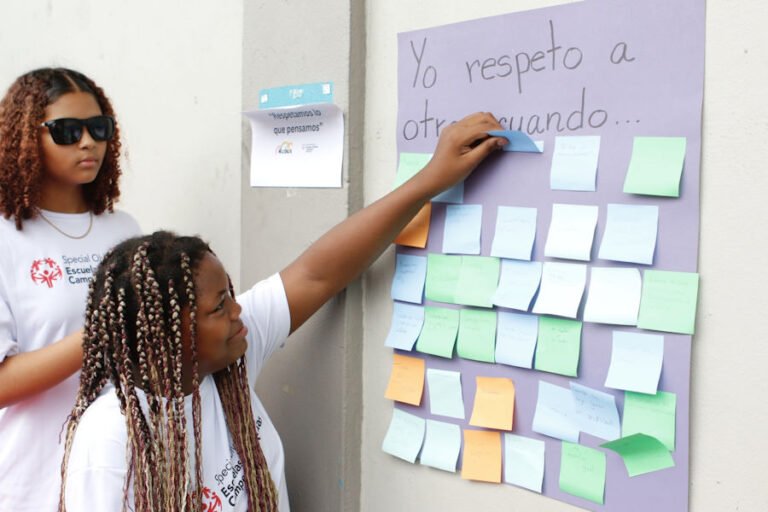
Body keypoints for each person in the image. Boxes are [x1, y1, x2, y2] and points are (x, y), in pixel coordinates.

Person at [58, 112, 507, 511]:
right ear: (169, 337)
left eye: (231, 295)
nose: (238, 311)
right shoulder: (109, 440)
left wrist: (431, 180)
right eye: (220, 306)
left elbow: (317, 274)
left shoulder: (226, 360)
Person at [0, 68, 141, 511]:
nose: (87, 143)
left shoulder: (124, 230)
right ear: (25, 137)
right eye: (66, 131)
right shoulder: (5, 238)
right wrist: (99, 334)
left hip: (119, 471)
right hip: (33, 480)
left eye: (99, 128)